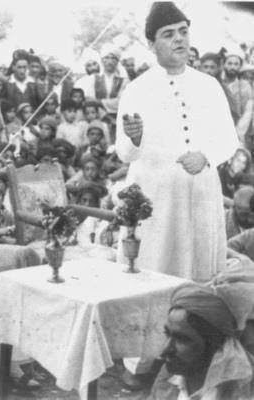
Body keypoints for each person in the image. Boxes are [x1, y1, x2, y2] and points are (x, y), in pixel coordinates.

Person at [116, 2, 239, 282]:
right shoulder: (137, 89)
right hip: (158, 200)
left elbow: (228, 140)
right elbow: (124, 153)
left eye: (183, 31)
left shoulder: (209, 85)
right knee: (154, 269)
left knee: (200, 277)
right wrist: (135, 138)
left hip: (201, 196)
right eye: (168, 34)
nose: (179, 39)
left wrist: (205, 155)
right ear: (151, 43)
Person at [149, 284, 254, 399]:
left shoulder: (242, 390)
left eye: (182, 339)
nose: (164, 351)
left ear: (215, 344)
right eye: (167, 334)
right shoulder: (170, 374)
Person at [75, 45, 128, 119]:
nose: (110, 61)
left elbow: (121, 101)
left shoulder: (124, 81)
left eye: (113, 58)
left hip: (118, 117)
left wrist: (99, 102)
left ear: (117, 61)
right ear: (102, 60)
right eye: (107, 57)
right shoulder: (93, 79)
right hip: (97, 118)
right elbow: (89, 100)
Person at [222, 54, 252, 120]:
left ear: (240, 67)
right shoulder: (218, 83)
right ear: (224, 65)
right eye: (229, 63)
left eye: (236, 64)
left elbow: (247, 112)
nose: (232, 67)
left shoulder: (245, 86)